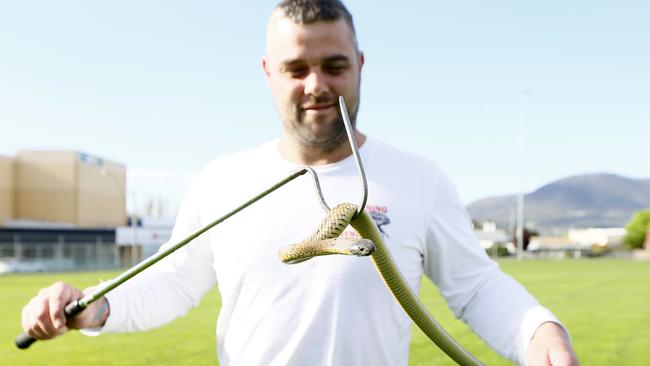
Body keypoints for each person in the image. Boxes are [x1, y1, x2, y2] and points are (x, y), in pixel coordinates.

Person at [21, 1, 579, 365]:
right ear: (268, 73)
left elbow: (476, 286)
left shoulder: (418, 179)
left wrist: (539, 331)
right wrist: (95, 307)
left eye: (334, 65)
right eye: (296, 69)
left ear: (360, 65)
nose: (316, 85)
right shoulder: (224, 181)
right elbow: (171, 283)